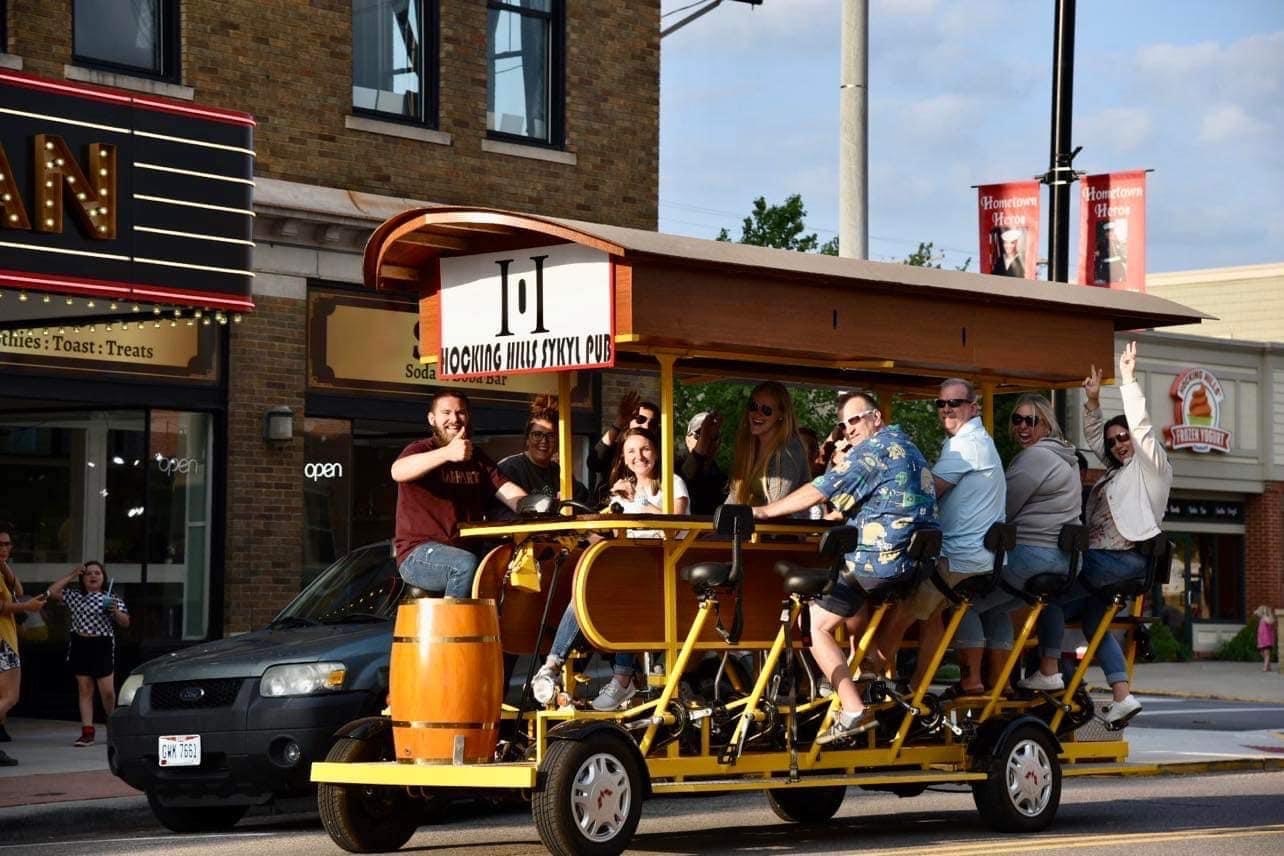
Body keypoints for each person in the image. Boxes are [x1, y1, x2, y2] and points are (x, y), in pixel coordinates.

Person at [752, 390, 938, 744]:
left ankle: (852, 707)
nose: (849, 429)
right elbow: (850, 502)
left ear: (876, 417)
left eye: (855, 419)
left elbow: (820, 490)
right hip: (912, 566)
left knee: (814, 624)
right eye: (844, 424)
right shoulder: (908, 448)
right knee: (850, 596)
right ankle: (860, 672)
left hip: (880, 560)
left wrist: (761, 511)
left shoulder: (873, 451)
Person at [1021, 341, 1173, 728]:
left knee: (1052, 587)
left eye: (1124, 438)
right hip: (1109, 565)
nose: (1119, 444)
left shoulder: (1152, 468)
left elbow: (1140, 428)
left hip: (1119, 560)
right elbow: (1095, 440)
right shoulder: (1117, 471)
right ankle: (1122, 696)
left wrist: (1127, 379)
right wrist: (1092, 402)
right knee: (1093, 622)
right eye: (1114, 441)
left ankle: (1050, 667)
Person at [532, 427, 689, 710]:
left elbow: (675, 521)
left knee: (618, 590)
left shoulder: (672, 483)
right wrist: (579, 533)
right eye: (631, 451)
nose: (638, 456)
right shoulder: (621, 493)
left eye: (644, 449)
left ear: (656, 451)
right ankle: (552, 667)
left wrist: (637, 501)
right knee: (584, 591)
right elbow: (608, 538)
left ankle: (622, 678)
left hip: (666, 571)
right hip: (630, 571)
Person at [876, 378, 1005, 689]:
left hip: (957, 555)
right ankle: (917, 689)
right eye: (941, 403)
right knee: (931, 615)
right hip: (976, 556)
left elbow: (926, 490)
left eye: (955, 403)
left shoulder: (967, 444)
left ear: (973, 408)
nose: (947, 408)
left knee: (901, 610)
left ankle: (871, 681)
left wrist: (880, 489)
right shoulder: (974, 441)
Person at [952, 394, 1081, 693]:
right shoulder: (1067, 458)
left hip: (1032, 554)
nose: (1023, 426)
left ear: (1047, 425)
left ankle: (971, 682)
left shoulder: (1036, 457)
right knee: (996, 608)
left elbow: (1002, 507)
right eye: (1017, 419)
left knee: (961, 599)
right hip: (1063, 559)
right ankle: (1002, 685)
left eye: (1031, 421)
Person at [392, 391, 528, 598]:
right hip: (417, 553)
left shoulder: (477, 458)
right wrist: (446, 453)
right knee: (464, 564)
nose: (454, 419)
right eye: (446, 412)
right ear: (432, 419)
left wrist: (539, 507)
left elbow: (509, 492)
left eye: (460, 413)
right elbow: (398, 471)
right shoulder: (419, 449)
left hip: (466, 550)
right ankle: (453, 630)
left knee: (507, 564)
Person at [44, 562, 130, 746]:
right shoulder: (75, 596)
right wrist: (72, 574)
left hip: (102, 644)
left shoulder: (112, 598)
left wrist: (115, 612)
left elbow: (125, 622)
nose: (93, 576)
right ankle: (87, 732)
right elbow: (50, 592)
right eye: (88, 573)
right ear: (83, 578)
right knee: (85, 689)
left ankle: (111, 723)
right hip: (80, 644)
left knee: (107, 691)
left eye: (97, 573)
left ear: (103, 577)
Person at [0, 522, 47, 765]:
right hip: (2, 641)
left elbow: (18, 589)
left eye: (7, 544)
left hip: (6, 638)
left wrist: (4, 565)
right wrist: (28, 607)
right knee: (10, 697)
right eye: (0, 544)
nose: (4, 548)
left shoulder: (2, 569)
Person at [492, 396, 587, 516]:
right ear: (527, 439)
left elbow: (583, 501)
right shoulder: (510, 469)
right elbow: (499, 514)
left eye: (550, 436)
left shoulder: (559, 472)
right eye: (537, 434)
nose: (544, 441)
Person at [726, 382, 810, 513]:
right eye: (753, 407)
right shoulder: (749, 445)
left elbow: (776, 509)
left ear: (781, 415)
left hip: (783, 530)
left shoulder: (789, 450)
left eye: (766, 410)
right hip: (753, 526)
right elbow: (735, 497)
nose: (757, 414)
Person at [588, 391, 659, 502]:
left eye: (653, 423)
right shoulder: (615, 450)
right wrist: (619, 421)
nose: (646, 426)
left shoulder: (659, 457)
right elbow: (593, 462)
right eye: (641, 419)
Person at [676, 411, 726, 516]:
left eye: (713, 437)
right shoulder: (675, 469)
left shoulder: (723, 479)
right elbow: (689, 470)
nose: (706, 441)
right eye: (699, 435)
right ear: (687, 440)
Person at [1256, 605, 1277, 672]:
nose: (1258, 613)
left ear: (1262, 612)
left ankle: (1265, 668)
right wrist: (1258, 611)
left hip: (1267, 640)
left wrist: (1268, 612)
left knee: (1266, 654)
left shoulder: (1265, 618)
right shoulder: (1262, 619)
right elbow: (1255, 612)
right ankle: (1269, 666)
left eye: (1259, 611)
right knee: (1262, 653)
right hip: (1262, 640)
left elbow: (1271, 621)